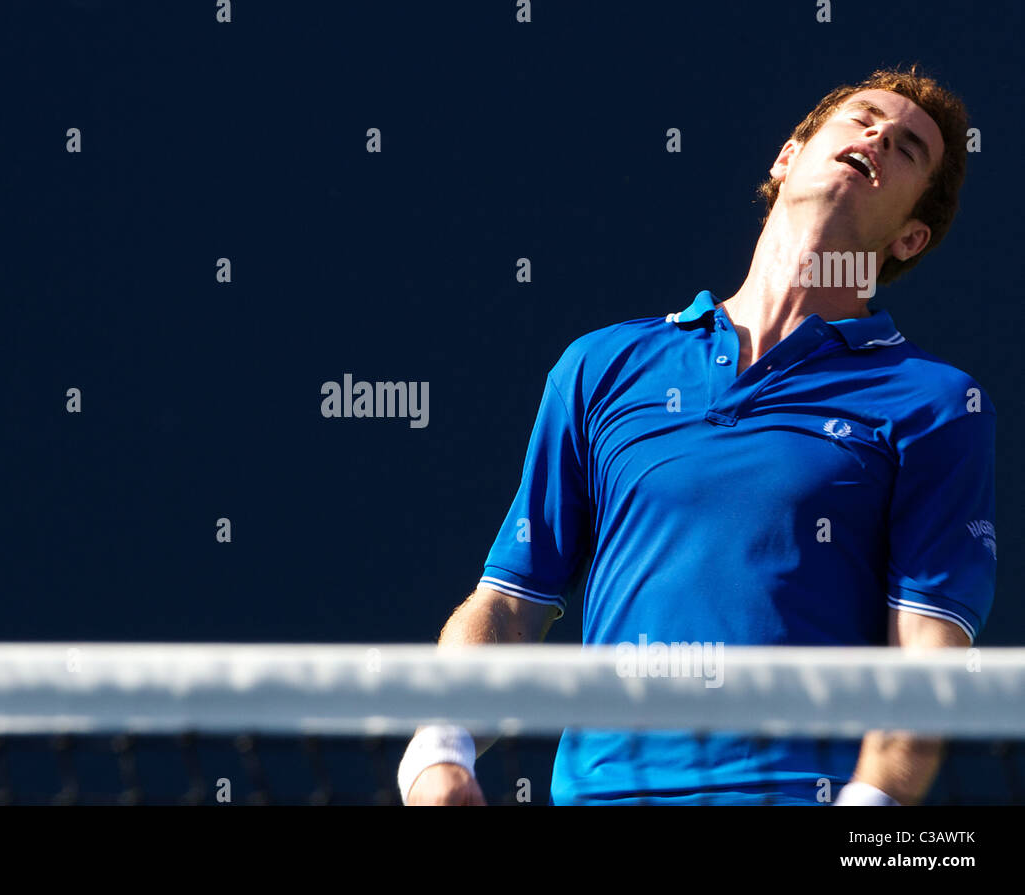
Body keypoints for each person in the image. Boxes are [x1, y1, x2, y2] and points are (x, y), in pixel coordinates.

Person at [400, 66, 995, 806]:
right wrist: (438, 751)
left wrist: (868, 814)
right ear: (787, 157)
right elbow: (511, 600)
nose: (877, 135)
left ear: (911, 235)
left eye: (909, 148)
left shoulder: (936, 402)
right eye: (862, 117)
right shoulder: (601, 365)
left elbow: (928, 665)